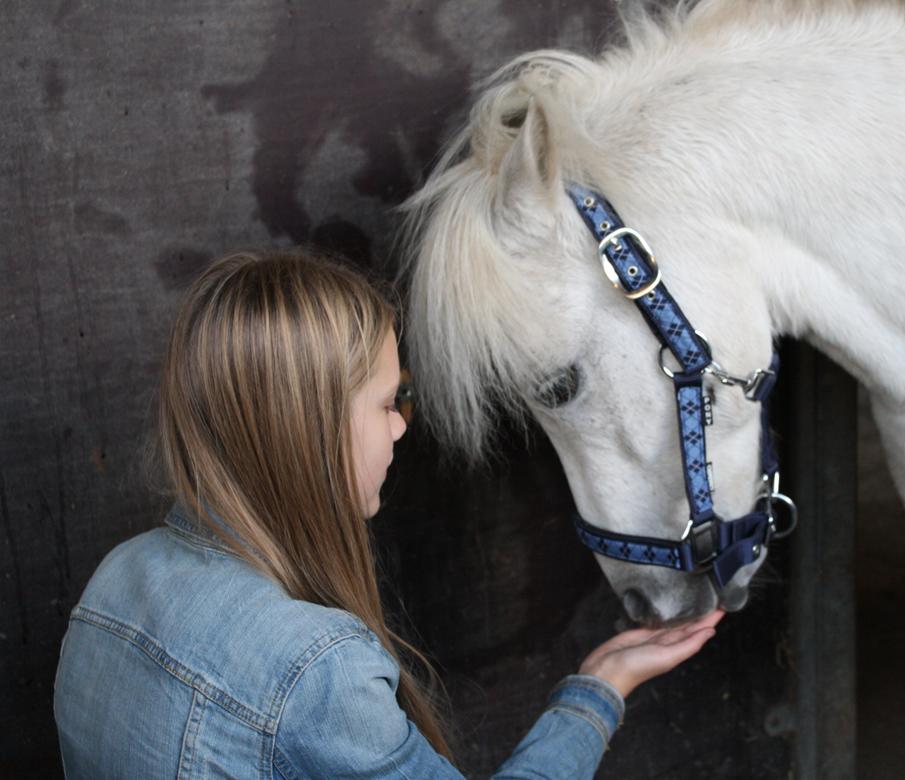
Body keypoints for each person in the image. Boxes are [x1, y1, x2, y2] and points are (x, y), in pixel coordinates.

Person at [53, 251, 722, 778]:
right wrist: (599, 691)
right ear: (308, 426)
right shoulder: (316, 669)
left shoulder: (115, 581)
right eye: (387, 402)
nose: (402, 428)